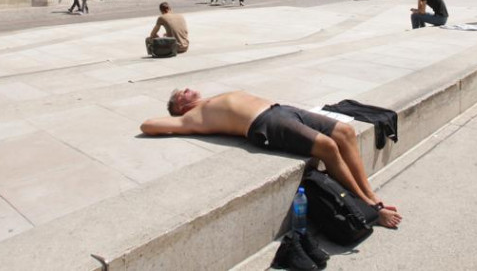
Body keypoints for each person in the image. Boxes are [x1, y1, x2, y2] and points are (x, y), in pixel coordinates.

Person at [140, 89, 402, 228]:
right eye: (181, 94)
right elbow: (147, 125)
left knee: (345, 132)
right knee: (327, 147)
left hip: (282, 109)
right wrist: (175, 117)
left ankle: (370, 192)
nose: (187, 89)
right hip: (264, 123)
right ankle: (369, 207)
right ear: (180, 107)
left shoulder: (211, 99)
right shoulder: (190, 118)